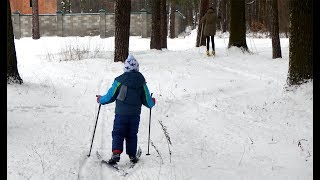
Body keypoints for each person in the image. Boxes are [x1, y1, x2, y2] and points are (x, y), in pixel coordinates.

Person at [96, 54, 155, 164]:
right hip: (135, 115)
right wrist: (152, 102)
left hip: (121, 115)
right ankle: (132, 155)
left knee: (118, 133)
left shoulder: (119, 81)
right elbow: (147, 100)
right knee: (132, 134)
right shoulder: (141, 83)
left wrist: (100, 99)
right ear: (137, 68)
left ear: (125, 68)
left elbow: (110, 96)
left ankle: (116, 153)